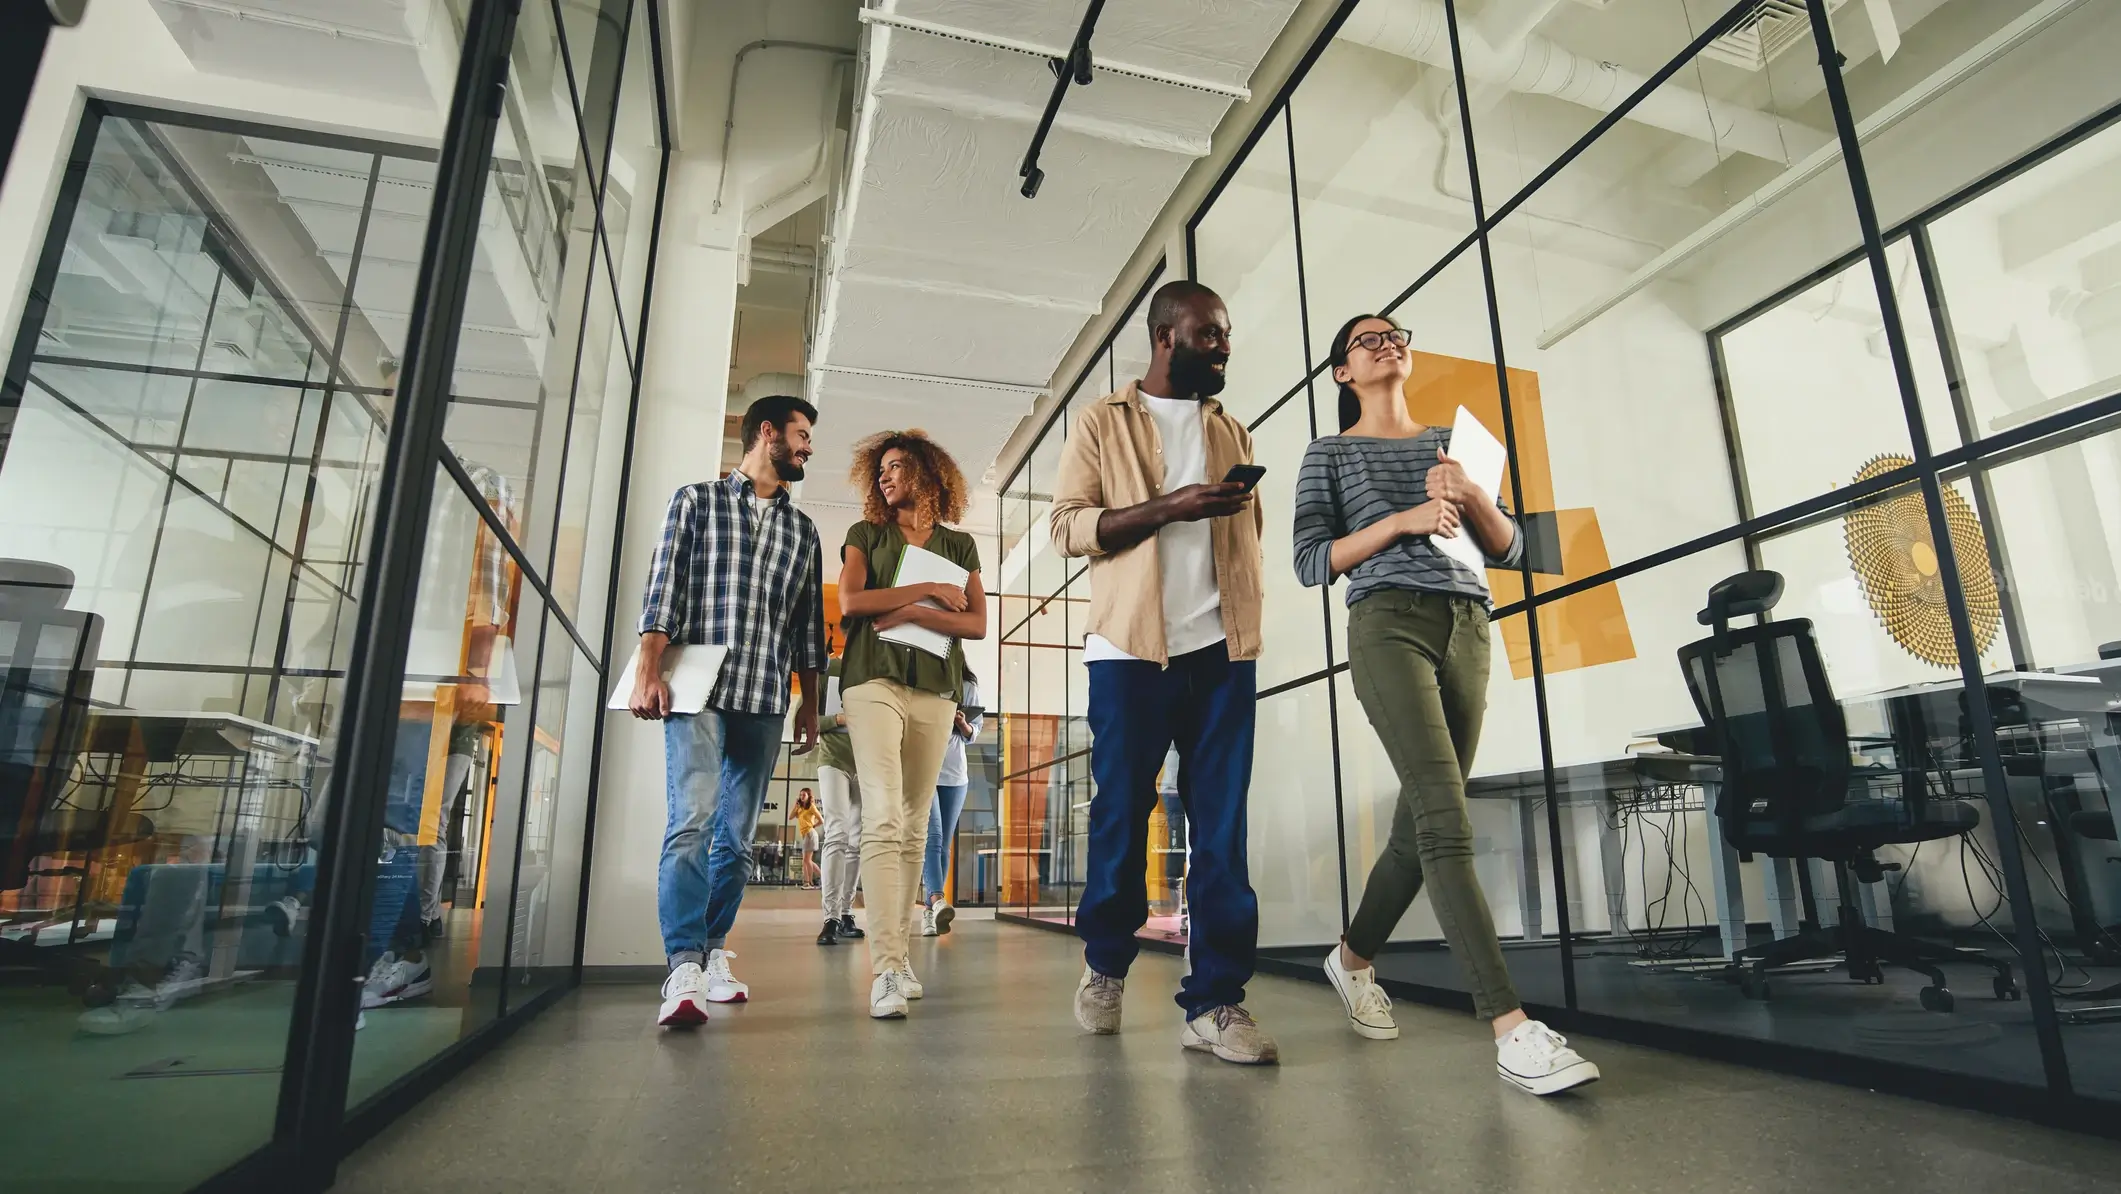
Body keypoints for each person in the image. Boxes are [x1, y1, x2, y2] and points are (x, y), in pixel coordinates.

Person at [1291, 313, 1599, 1096]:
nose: (1386, 342)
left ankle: (1352, 957)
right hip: (1386, 621)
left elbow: (1513, 549)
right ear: (1341, 373)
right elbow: (1308, 560)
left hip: (1467, 624)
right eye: (1367, 339)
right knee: (1445, 822)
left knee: (1418, 825)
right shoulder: (1329, 453)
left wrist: (1470, 494)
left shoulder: (1455, 443)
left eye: (1395, 333)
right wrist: (1400, 520)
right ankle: (1510, 1028)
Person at [1049, 280, 1275, 1065]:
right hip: (1127, 650)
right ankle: (1105, 966)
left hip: (1220, 652)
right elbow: (1069, 527)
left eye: (1225, 334)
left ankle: (1214, 1001)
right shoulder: (1099, 422)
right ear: (1165, 336)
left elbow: (1248, 538)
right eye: (1209, 333)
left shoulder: (1233, 431)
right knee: (1121, 815)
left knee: (1221, 830)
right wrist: (1168, 506)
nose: (1222, 346)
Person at [631, 394, 826, 1028]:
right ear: (765, 433)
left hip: (766, 696)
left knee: (737, 842)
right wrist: (647, 670)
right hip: (701, 691)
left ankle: (713, 951)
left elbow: (808, 630)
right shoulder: (696, 501)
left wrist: (811, 706)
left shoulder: (803, 532)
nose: (807, 448)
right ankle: (683, 964)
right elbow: (665, 590)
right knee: (691, 821)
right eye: (800, 435)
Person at [835, 430, 987, 1019]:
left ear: (927, 474)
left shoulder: (961, 545)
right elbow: (851, 604)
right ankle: (885, 969)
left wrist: (894, 608)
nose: (884, 477)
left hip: (936, 688)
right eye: (880, 470)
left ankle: (899, 961)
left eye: (896, 467)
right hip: (872, 679)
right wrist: (925, 592)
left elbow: (974, 624)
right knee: (884, 814)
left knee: (916, 824)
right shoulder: (865, 535)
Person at [919, 670, 983, 935]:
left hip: (956, 776)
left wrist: (962, 724)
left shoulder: (967, 685)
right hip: (925, 769)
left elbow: (974, 731)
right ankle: (936, 898)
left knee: (944, 844)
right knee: (932, 837)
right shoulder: (924, 680)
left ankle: (929, 913)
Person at [814, 656, 866, 945]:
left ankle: (846, 913)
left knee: (857, 841)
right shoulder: (829, 669)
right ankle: (830, 917)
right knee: (837, 832)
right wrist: (838, 719)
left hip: (866, 763)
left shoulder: (874, 669)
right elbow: (807, 720)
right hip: (833, 760)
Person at [794, 789, 823, 888]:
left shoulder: (811, 806)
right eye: (800, 795)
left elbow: (821, 820)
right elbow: (790, 817)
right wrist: (795, 806)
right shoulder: (800, 808)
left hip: (810, 834)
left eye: (804, 795)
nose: (801, 797)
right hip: (806, 835)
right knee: (807, 860)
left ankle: (809, 883)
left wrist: (813, 826)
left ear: (808, 796)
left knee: (807, 860)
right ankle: (822, 879)